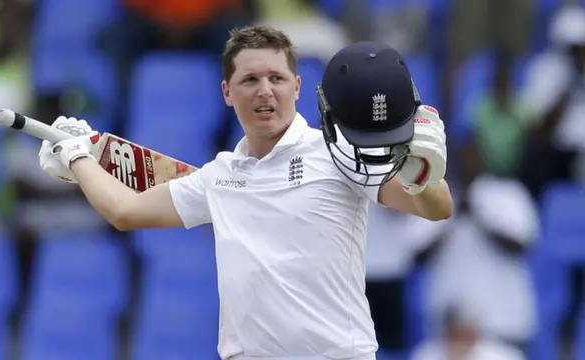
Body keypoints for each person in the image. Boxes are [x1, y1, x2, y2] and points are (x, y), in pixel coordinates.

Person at [37, 25, 452, 360]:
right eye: (249, 79)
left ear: (297, 86)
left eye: (277, 78)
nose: (264, 91)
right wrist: (79, 156)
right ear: (227, 92)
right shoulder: (218, 177)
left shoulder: (338, 153)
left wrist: (423, 170)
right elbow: (124, 211)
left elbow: (436, 208)